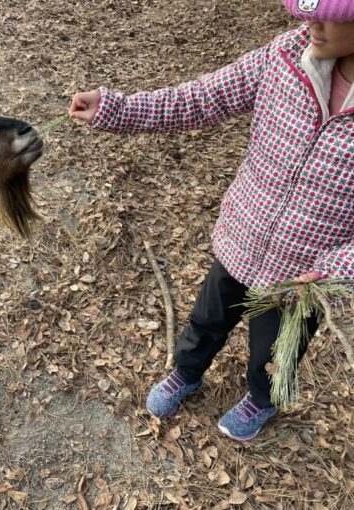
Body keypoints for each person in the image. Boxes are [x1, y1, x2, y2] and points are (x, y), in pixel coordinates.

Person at [69, 0, 354, 441]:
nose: (309, 21)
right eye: (305, 8)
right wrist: (117, 110)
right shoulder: (285, 56)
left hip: (304, 276)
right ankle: (186, 372)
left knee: (278, 351)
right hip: (243, 237)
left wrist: (335, 270)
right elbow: (203, 98)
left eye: (330, 13)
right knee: (207, 318)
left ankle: (262, 400)